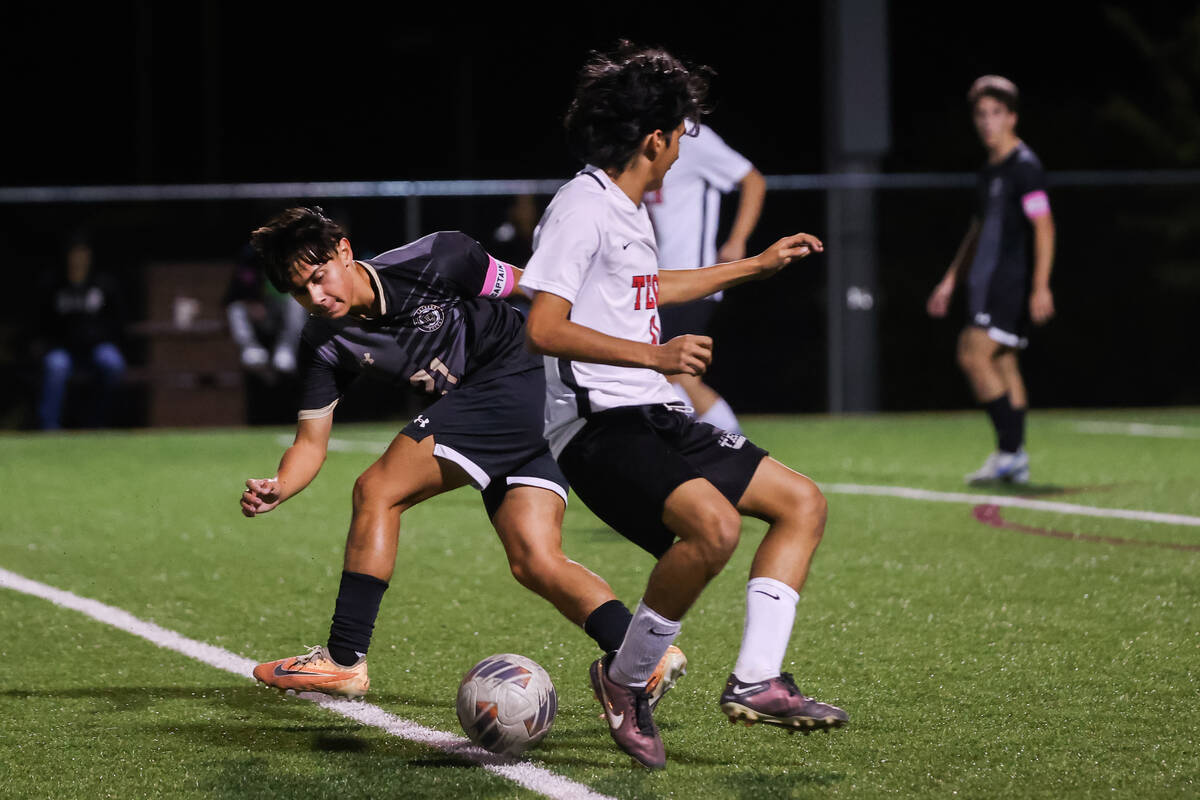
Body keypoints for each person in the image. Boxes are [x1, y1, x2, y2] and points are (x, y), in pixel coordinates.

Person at [521, 43, 848, 770]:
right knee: (715, 527)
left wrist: (755, 265)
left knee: (802, 502)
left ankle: (757, 679)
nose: (680, 151)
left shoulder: (625, 209)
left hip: (652, 416)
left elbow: (649, 288)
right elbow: (542, 326)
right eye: (680, 136)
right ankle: (624, 680)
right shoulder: (580, 207)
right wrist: (655, 357)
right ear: (653, 140)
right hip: (596, 428)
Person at [240, 207, 685, 702]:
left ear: (344, 251)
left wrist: (630, 354)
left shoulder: (438, 257)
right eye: (300, 291)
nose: (316, 298)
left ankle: (343, 660)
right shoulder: (325, 340)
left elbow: (541, 292)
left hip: (524, 378)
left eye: (320, 277)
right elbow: (309, 443)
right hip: (508, 411)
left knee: (377, 489)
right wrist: (281, 484)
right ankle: (642, 655)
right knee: (534, 558)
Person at [926, 75, 1056, 484]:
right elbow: (978, 229)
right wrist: (950, 279)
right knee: (1004, 362)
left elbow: (1045, 227)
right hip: (986, 282)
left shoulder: (1025, 168)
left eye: (996, 113)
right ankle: (1012, 457)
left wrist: (1040, 286)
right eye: (981, 114)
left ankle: (1010, 452)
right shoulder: (990, 171)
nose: (987, 122)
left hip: (1009, 283)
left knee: (972, 353)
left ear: (1012, 117)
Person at [645, 123, 766, 433]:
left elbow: (752, 180)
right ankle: (721, 446)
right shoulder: (637, 133)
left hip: (691, 280)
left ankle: (730, 444)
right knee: (665, 372)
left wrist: (737, 240)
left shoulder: (692, 136)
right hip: (650, 282)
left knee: (666, 369)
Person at [37, 236, 127, 430]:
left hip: (97, 347)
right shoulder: (54, 284)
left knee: (113, 363)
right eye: (74, 254)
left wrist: (99, 337)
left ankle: (99, 423)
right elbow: (42, 322)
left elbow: (116, 320)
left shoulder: (103, 284)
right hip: (64, 349)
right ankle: (49, 427)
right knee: (55, 366)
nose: (79, 259)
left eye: (83, 254)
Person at [224, 243, 307, 374]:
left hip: (280, 315)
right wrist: (251, 302)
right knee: (235, 308)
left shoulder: (295, 261)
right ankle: (250, 349)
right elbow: (233, 294)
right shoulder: (250, 259)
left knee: (296, 304)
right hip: (257, 318)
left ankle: (286, 350)